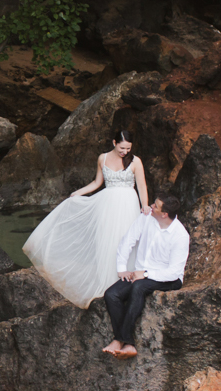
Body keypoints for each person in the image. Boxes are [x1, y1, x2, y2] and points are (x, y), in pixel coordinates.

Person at [22, 129, 150, 307]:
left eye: (128, 148)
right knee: (107, 240)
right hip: (107, 204)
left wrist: (145, 205)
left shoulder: (136, 161)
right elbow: (97, 183)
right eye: (122, 148)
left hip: (128, 203)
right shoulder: (102, 158)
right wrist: (79, 193)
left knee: (127, 238)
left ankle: (128, 282)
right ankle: (108, 282)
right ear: (114, 143)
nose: (125, 152)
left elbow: (142, 186)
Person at [101, 194, 189, 359]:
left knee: (139, 286)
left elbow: (174, 271)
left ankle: (121, 340)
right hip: (141, 272)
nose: (150, 206)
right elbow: (128, 241)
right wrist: (122, 268)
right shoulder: (146, 217)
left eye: (155, 206)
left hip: (168, 278)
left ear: (164, 214)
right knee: (111, 294)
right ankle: (126, 343)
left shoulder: (180, 235)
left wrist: (146, 274)